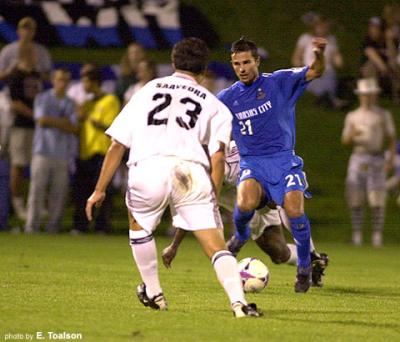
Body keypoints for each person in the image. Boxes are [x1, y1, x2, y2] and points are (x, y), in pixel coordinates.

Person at [85, 37, 261, 318]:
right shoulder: (215, 104)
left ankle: (155, 293)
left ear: (172, 63)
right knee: (215, 245)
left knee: (139, 227)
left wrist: (99, 190)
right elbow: (217, 156)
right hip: (190, 172)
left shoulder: (147, 90)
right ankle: (239, 304)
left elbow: (117, 143)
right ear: (204, 71)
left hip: (148, 168)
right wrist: (213, 195)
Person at [215, 36, 326, 293]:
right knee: (244, 204)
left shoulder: (279, 82)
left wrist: (319, 53)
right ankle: (240, 236)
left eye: (246, 62)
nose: (241, 68)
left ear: (257, 61)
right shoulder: (226, 98)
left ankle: (305, 267)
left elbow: (316, 70)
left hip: (283, 160)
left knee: (295, 211)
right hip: (252, 163)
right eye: (236, 64)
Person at [163, 140, 329, 287]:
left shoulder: (235, 159)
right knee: (279, 254)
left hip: (261, 192)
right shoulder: (195, 174)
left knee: (284, 202)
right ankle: (315, 258)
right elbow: (194, 210)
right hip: (246, 210)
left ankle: (311, 255)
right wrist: (174, 246)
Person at [342, 78, 396, 247]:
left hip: (377, 157)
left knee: (377, 198)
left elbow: (391, 137)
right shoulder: (353, 116)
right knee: (356, 197)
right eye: (364, 95)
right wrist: (353, 133)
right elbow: (345, 140)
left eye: (370, 95)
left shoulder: (382, 114)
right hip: (358, 157)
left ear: (374, 96)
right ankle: (357, 235)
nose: (367, 97)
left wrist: (391, 159)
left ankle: (376, 236)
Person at [25, 68, 78, 234]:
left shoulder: (70, 102)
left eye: (66, 80)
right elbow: (41, 121)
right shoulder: (43, 98)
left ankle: (53, 227)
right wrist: (63, 123)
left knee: (59, 193)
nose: (63, 83)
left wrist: (54, 121)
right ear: (54, 80)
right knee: (37, 190)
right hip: (42, 151)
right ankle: (31, 226)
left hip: (62, 153)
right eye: (60, 79)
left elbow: (74, 128)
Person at [72, 67, 120, 234]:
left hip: (102, 152)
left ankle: (102, 226)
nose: (83, 85)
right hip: (85, 153)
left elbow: (112, 127)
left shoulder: (110, 100)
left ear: (94, 82)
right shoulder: (86, 103)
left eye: (85, 81)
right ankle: (81, 226)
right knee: (82, 192)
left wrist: (89, 118)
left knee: (103, 192)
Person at [7, 44, 43, 220]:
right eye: (31, 53)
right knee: (18, 165)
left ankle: (33, 204)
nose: (34, 56)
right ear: (24, 55)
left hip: (36, 129)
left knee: (35, 167)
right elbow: (15, 103)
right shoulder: (16, 75)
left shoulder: (35, 75)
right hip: (21, 126)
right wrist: (37, 116)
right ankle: (17, 203)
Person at [292, 15, 346, 109]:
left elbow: (336, 57)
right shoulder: (306, 38)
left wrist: (339, 61)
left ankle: (327, 97)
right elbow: (296, 58)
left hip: (326, 69)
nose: (322, 29)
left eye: (325, 27)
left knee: (328, 75)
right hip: (311, 69)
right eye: (320, 26)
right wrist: (301, 68)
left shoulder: (331, 40)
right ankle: (329, 98)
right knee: (316, 77)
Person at [360, 17, 400, 103]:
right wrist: (385, 69)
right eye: (371, 27)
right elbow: (372, 55)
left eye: (376, 28)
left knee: (395, 64)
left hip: (387, 72)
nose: (373, 30)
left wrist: (389, 40)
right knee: (371, 66)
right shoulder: (368, 40)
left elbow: (394, 57)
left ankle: (397, 95)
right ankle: (373, 97)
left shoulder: (391, 41)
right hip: (374, 72)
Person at [0, 17, 52, 81]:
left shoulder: (42, 51)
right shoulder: (7, 50)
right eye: (24, 28)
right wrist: (13, 69)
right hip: (12, 87)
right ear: (18, 31)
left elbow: (49, 77)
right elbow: (1, 75)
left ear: (34, 32)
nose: (27, 32)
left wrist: (34, 71)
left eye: (30, 29)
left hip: (36, 88)